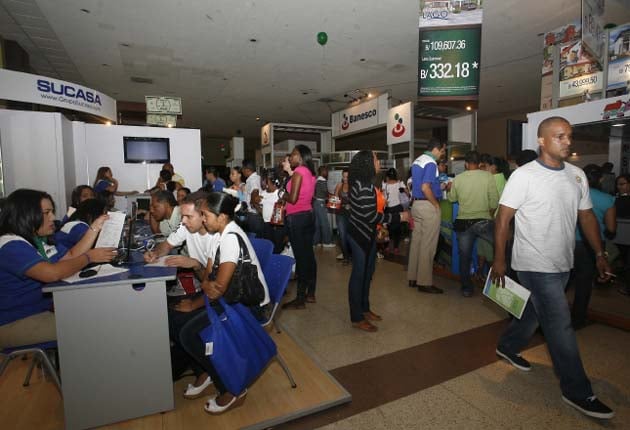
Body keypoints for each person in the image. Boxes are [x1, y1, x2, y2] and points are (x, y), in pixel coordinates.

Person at [491, 116, 614, 420]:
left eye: (569, 136)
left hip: (563, 261)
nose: (567, 142)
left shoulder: (576, 176)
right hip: (533, 262)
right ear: (542, 141)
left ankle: (508, 345)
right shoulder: (524, 176)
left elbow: (586, 217)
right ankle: (577, 390)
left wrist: (599, 252)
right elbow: (503, 219)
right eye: (560, 136)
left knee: (534, 311)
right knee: (560, 323)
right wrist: (499, 259)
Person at [178, 192, 270, 414]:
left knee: (189, 334)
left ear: (222, 217)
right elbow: (208, 278)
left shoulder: (229, 238)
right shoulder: (217, 235)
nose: (203, 218)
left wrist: (206, 291)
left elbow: (216, 289)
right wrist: (209, 288)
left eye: (206, 214)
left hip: (250, 308)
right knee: (183, 322)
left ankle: (233, 387)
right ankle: (209, 369)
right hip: (232, 300)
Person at [0, 189, 116, 349]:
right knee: (90, 326)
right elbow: (52, 273)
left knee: (96, 314)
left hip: (38, 311)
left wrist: (95, 227)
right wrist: (89, 257)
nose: (53, 218)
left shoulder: (39, 240)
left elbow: (71, 255)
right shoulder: (10, 244)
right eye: (47, 213)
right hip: (14, 321)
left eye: (52, 212)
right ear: (26, 214)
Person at [144, 191, 220, 390]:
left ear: (204, 215)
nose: (183, 221)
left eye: (188, 217)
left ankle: (211, 371)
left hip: (221, 297)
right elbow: (167, 245)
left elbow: (216, 287)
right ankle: (198, 367)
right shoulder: (187, 229)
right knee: (170, 316)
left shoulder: (217, 238)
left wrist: (194, 265)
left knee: (183, 326)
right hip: (207, 289)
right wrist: (155, 253)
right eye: (182, 216)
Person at [347, 151, 408, 332]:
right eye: (375, 159)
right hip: (360, 236)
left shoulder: (363, 183)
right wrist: (399, 216)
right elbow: (371, 216)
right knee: (358, 276)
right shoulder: (363, 185)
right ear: (367, 163)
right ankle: (356, 317)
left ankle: (364, 309)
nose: (378, 161)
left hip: (367, 235)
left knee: (367, 273)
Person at [447, 151, 498, 297]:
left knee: (465, 256)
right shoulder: (488, 176)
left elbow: (451, 199)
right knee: (500, 249)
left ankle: (467, 289)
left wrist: (451, 189)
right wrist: (488, 214)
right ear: (480, 163)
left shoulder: (459, 178)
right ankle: (500, 286)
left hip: (463, 223)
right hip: (483, 221)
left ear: (466, 164)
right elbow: (494, 200)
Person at [571, 164, 616, 329]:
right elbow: (611, 228)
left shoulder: (573, 196)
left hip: (568, 243)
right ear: (601, 179)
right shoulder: (607, 199)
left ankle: (552, 317)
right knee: (584, 283)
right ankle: (578, 319)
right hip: (592, 245)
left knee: (564, 282)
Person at [407, 138, 446, 294]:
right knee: (428, 245)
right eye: (442, 150)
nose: (443, 154)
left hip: (416, 205)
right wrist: (436, 204)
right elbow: (425, 187)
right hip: (428, 206)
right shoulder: (431, 163)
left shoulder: (417, 161)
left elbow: (415, 184)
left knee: (417, 242)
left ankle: (413, 277)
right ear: (436, 149)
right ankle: (424, 282)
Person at [281, 145, 317, 309]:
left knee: (302, 259)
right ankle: (311, 293)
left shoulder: (299, 172)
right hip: (308, 216)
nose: (291, 157)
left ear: (301, 157)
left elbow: (293, 198)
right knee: (308, 256)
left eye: (294, 154)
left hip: (296, 218)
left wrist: (282, 194)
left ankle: (300, 298)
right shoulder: (310, 173)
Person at [382, 168, 407, 254]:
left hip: (388, 209)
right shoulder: (400, 183)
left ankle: (387, 246)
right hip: (397, 208)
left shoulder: (384, 184)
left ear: (387, 176)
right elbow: (408, 193)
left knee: (387, 228)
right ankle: (396, 247)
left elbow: (382, 197)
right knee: (397, 229)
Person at [260, 169, 285, 254]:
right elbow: (259, 205)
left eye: (265, 180)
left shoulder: (280, 193)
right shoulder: (263, 193)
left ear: (271, 181)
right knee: (268, 246)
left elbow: (284, 207)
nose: (263, 182)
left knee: (277, 247)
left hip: (276, 225)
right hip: (266, 223)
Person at [313, 166, 335, 248]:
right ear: (323, 172)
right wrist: (332, 196)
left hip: (316, 203)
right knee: (325, 223)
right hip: (321, 203)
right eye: (326, 171)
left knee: (317, 224)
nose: (327, 173)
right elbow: (326, 193)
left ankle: (316, 242)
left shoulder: (317, 180)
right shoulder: (322, 181)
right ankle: (327, 242)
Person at [242, 160, 264, 238]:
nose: (242, 171)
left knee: (254, 238)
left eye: (243, 169)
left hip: (254, 215)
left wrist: (255, 206)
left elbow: (255, 195)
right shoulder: (255, 178)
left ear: (247, 170)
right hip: (255, 214)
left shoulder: (253, 180)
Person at [334, 168, 351, 264]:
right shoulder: (339, 185)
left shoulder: (353, 186)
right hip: (341, 214)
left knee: (350, 236)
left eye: (347, 177)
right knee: (342, 235)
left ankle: (351, 254)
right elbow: (335, 199)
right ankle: (346, 257)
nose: (345, 179)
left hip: (352, 214)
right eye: (344, 176)